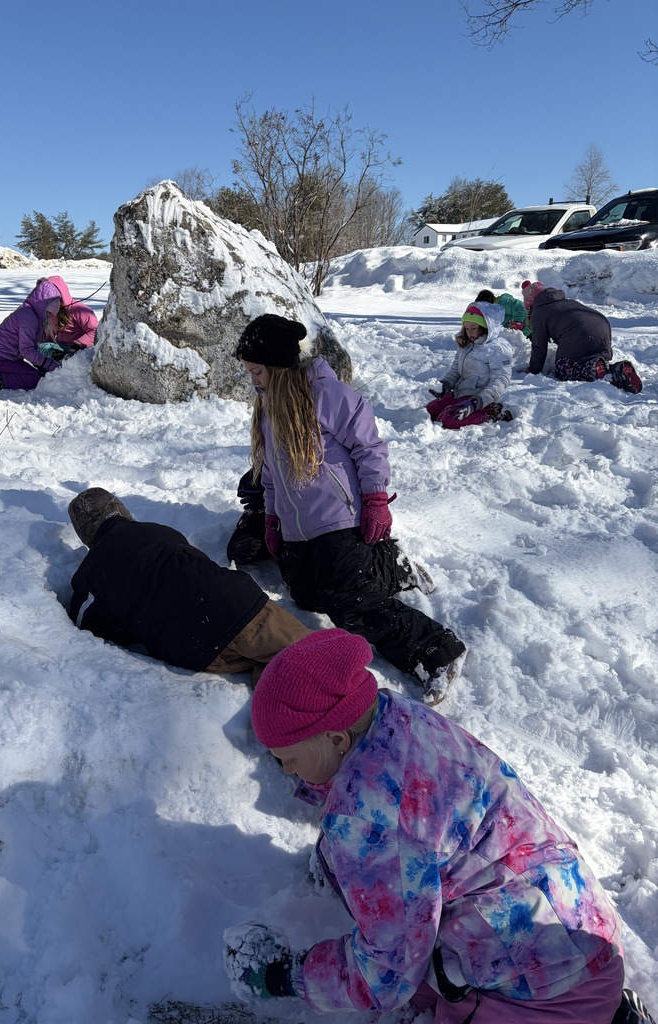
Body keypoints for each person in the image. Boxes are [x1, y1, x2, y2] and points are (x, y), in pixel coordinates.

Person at [224, 628, 639, 1024]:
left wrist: (291, 976)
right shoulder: (397, 717)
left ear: (336, 740)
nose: (285, 770)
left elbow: (388, 972)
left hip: (546, 994)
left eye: (288, 758)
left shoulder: (370, 826)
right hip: (573, 922)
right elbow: (386, 801)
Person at [235, 313, 465, 705]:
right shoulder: (270, 406)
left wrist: (376, 500)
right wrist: (273, 518)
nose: (253, 379)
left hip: (336, 517)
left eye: (257, 370)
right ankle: (389, 565)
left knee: (347, 601)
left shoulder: (328, 395)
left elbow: (369, 447)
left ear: (277, 365)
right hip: (299, 527)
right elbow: (270, 473)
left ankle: (436, 650)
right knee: (307, 594)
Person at [67, 487, 312, 682]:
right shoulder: (157, 531)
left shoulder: (90, 573)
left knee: (278, 672)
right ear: (120, 510)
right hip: (238, 605)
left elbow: (84, 625)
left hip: (195, 648)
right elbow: (195, 565)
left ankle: (295, 721)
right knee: (315, 658)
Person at [0, 275, 98, 392]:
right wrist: (48, 364)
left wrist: (76, 346)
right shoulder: (35, 316)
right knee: (36, 378)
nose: (51, 316)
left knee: (37, 371)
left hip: (77, 350)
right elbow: (31, 346)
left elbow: (96, 331)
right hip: (4, 357)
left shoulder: (78, 310)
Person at [521, 280, 643, 393]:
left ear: (530, 303)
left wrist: (533, 370)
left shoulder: (539, 311)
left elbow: (539, 345)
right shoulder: (563, 302)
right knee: (591, 360)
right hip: (602, 325)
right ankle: (617, 371)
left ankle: (594, 370)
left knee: (563, 369)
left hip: (579, 331)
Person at [426, 302, 514, 429]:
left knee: (447, 420)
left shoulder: (497, 349)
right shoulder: (467, 346)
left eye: (473, 327)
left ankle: (493, 413)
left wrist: (479, 400)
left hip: (478, 399)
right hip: (458, 393)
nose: (469, 332)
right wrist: (445, 385)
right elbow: (455, 369)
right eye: (466, 328)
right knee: (428, 412)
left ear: (485, 327)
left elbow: (501, 379)